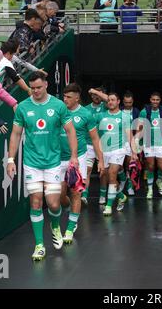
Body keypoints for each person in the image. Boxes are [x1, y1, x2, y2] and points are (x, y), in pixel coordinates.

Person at [6, 71, 79, 261]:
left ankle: (55, 224)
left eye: (39, 87)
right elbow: (15, 134)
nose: (36, 91)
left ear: (46, 84)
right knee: (36, 201)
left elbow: (70, 131)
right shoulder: (23, 107)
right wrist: (11, 159)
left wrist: (73, 156)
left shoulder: (58, 106)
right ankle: (39, 245)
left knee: (54, 204)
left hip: (53, 163)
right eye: (33, 88)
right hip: (32, 163)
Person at [59, 83, 104, 243]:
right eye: (64, 96)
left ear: (77, 98)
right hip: (59, 159)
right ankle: (71, 209)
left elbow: (95, 138)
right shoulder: (59, 111)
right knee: (60, 196)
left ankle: (70, 228)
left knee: (76, 192)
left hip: (79, 158)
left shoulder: (85, 114)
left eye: (69, 97)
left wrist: (100, 159)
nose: (65, 100)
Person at [90, 88, 137, 216]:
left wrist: (134, 152)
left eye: (113, 100)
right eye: (108, 100)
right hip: (104, 151)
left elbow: (129, 135)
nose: (110, 102)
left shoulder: (125, 116)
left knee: (112, 174)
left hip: (119, 150)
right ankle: (121, 196)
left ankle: (109, 205)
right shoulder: (100, 115)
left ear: (118, 102)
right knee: (104, 176)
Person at [136, 92, 162, 199]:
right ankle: (150, 189)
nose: (155, 101)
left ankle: (159, 180)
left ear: (160, 100)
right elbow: (140, 127)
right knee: (150, 167)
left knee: (161, 166)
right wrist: (138, 139)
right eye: (153, 99)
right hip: (148, 143)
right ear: (150, 100)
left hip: (160, 143)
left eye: (157, 100)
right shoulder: (144, 112)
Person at [83, 88, 108, 205]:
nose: (96, 97)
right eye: (93, 95)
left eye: (98, 95)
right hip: (88, 144)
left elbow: (108, 99)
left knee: (102, 171)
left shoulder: (106, 106)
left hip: (103, 144)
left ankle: (103, 195)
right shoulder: (86, 109)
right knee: (87, 170)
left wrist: (96, 91)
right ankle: (84, 196)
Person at [121, 91, 140, 195]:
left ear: (133, 102)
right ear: (122, 102)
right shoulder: (119, 111)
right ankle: (123, 180)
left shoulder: (136, 111)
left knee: (130, 164)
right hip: (120, 141)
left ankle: (130, 186)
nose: (128, 104)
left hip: (131, 141)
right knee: (119, 166)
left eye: (130, 102)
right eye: (126, 102)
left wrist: (136, 140)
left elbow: (139, 126)